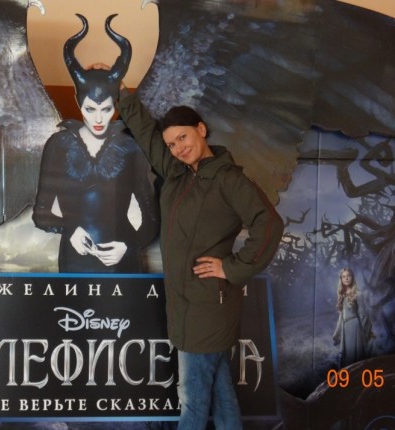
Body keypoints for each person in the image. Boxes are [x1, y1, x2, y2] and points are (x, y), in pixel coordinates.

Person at [115, 86, 284, 428]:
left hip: (208, 308)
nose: (178, 148)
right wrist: (124, 98)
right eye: (172, 144)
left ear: (201, 129)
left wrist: (231, 267)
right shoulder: (176, 173)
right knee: (222, 393)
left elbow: (269, 225)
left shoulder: (228, 180)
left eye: (183, 137)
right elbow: (147, 136)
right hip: (187, 306)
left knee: (192, 401)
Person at [32, 14, 158, 273]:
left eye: (106, 109)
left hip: (122, 261)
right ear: (78, 103)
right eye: (90, 109)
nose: (99, 119)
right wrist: (69, 230)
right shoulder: (59, 145)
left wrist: (129, 245)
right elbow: (41, 213)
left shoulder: (130, 145)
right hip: (75, 259)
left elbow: (150, 215)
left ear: (116, 105)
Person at [332, 267, 373, 367]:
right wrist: (336, 334)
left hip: (355, 327)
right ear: (341, 279)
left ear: (352, 277)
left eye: (348, 276)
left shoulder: (358, 294)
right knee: (346, 356)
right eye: (343, 276)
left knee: (355, 356)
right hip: (345, 328)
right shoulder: (342, 296)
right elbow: (341, 317)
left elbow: (363, 315)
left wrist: (366, 332)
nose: (346, 278)